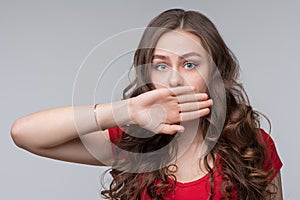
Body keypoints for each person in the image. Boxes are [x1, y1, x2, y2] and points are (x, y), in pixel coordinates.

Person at [11, 8, 283, 200]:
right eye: (161, 65)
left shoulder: (251, 145)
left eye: (189, 64)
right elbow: (25, 134)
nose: (174, 79)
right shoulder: (131, 144)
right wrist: (125, 111)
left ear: (214, 71)